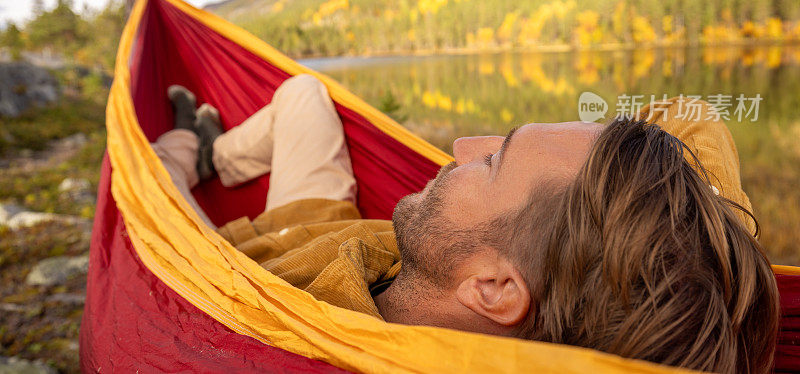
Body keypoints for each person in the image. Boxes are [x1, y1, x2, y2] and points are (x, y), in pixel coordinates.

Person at [152, 74, 779, 373]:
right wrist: (695, 240)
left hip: (260, 240)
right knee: (302, 94)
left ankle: (189, 149)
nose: (458, 145)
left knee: (155, 174)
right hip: (347, 232)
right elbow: (691, 112)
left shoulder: (301, 330)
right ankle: (221, 152)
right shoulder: (681, 268)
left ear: (495, 289)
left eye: (494, 159)